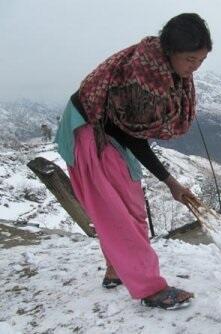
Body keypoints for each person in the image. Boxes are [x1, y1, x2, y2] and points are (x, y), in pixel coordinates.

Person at [55, 13, 212, 310]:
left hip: (112, 131)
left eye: (201, 60)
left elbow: (130, 130)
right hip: (90, 132)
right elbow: (131, 136)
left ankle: (116, 269)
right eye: (191, 60)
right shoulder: (142, 82)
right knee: (116, 214)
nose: (195, 68)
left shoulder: (165, 70)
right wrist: (170, 182)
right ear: (170, 52)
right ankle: (150, 289)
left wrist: (170, 183)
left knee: (132, 207)